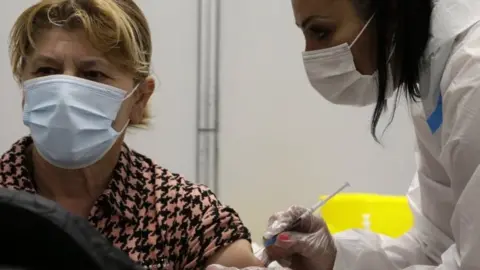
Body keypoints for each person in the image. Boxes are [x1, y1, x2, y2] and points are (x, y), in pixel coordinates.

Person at [210, 0, 480, 269]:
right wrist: (333, 256)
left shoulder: (472, 77)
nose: (311, 55)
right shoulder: (436, 74)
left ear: (391, 12)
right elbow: (434, 246)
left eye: (321, 31)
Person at [0, 0, 263, 269]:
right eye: (47, 71)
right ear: (25, 87)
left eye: (93, 74)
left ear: (139, 99)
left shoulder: (185, 215)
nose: (65, 95)